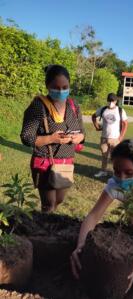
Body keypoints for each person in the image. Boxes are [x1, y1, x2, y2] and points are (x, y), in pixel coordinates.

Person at [71, 139, 133, 292]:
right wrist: (81, 244)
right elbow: (93, 216)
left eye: (129, 173)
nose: (122, 178)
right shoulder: (114, 184)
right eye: (117, 171)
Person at [20, 65, 85, 213]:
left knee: (59, 200)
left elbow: (82, 133)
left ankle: (49, 223)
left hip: (66, 163)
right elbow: (26, 137)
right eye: (56, 87)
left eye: (65, 87)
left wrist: (78, 137)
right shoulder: (38, 106)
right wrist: (51, 138)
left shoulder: (73, 106)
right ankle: (44, 231)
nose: (61, 91)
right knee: (48, 204)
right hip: (45, 163)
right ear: (47, 85)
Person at [92, 93, 128, 178]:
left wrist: (121, 137)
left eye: (112, 101)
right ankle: (103, 171)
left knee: (115, 158)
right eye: (109, 101)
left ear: (116, 101)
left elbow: (125, 124)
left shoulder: (120, 111)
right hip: (104, 138)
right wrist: (97, 126)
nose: (110, 102)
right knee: (104, 156)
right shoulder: (103, 109)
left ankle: (116, 173)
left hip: (115, 139)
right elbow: (94, 116)